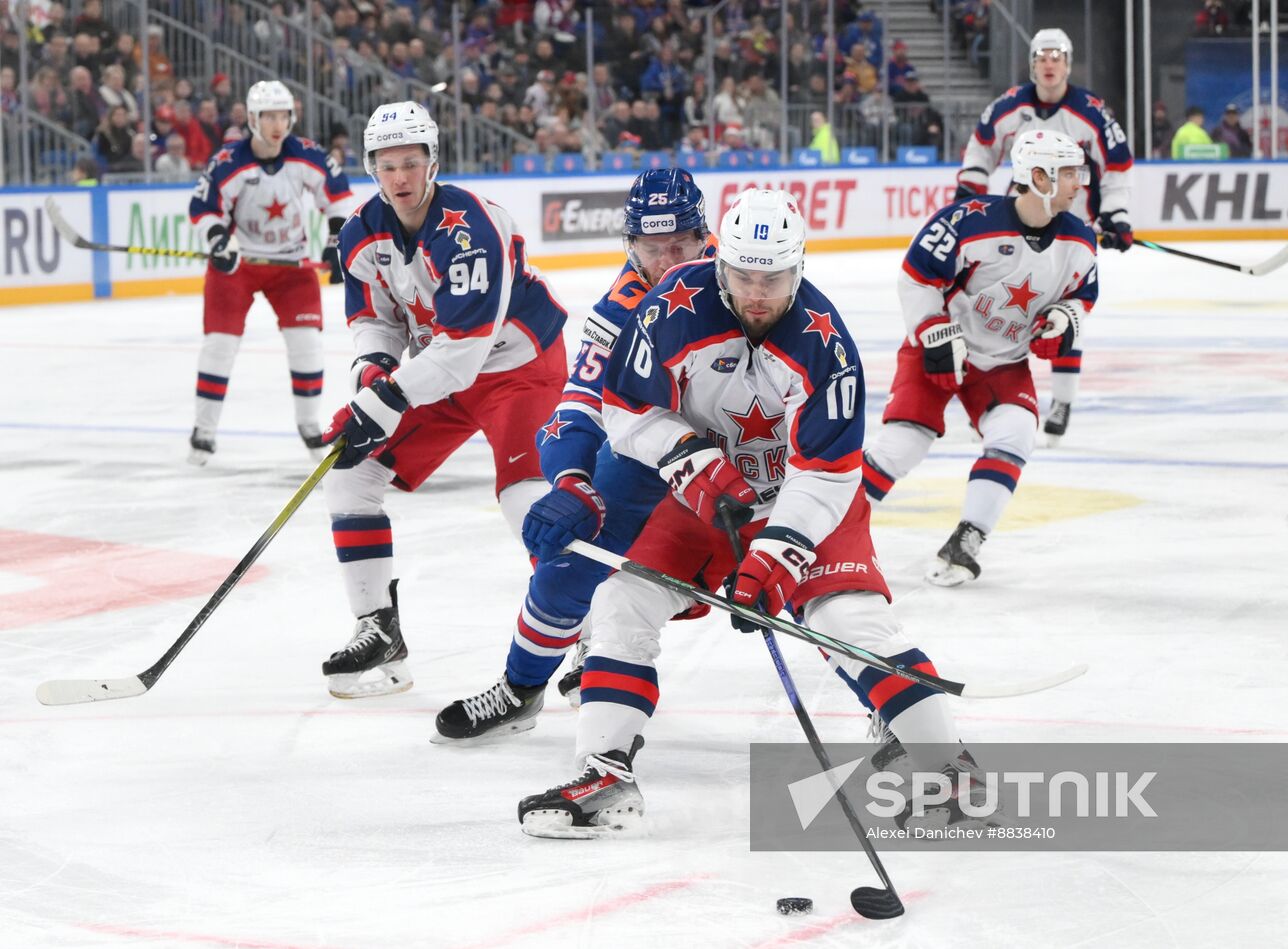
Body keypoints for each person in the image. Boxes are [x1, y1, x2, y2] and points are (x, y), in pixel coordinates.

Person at [518, 189, 980, 837]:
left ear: (800, 267)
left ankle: (949, 768)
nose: (758, 292)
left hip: (802, 499)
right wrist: (689, 461)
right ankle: (605, 772)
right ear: (720, 266)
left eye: (775, 277)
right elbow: (625, 409)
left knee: (848, 618)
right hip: (697, 496)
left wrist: (774, 557)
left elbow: (825, 475)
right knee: (622, 599)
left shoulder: (825, 342)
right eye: (743, 276)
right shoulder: (673, 306)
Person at [431, 169, 716, 741]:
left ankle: (886, 702)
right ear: (630, 244)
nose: (666, 260)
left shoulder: (748, 282)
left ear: (705, 237)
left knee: (818, 572)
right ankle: (520, 689)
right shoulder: (619, 308)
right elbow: (579, 404)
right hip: (646, 449)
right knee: (566, 562)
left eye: (679, 245)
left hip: (751, 451)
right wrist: (570, 480)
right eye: (651, 247)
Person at [316, 102, 569, 699]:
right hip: (438, 370)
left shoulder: (470, 225)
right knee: (348, 476)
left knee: (528, 503)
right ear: (371, 167)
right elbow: (375, 325)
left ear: (433, 162)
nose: (400, 177)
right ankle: (377, 627)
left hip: (516, 364)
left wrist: (387, 400)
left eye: (411, 162)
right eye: (386, 165)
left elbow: (465, 352)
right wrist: (371, 381)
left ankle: (585, 631)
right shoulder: (359, 232)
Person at [861, 130, 1099, 585]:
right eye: (1068, 172)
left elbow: (1084, 292)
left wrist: (1063, 318)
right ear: (1038, 177)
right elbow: (916, 275)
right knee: (902, 445)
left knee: (1016, 432)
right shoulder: (968, 221)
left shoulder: (1080, 240)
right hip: (941, 349)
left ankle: (967, 538)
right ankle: (831, 530)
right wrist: (932, 329)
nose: (1077, 183)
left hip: (1004, 362)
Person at [954, 28, 1129, 444]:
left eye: (1057, 56)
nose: (1049, 64)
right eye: (1041, 57)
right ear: (1033, 64)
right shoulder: (1009, 106)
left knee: (1066, 313)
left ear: (1068, 63)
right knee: (1000, 307)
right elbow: (980, 150)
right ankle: (987, 395)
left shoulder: (1092, 112)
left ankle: (1063, 399)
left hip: (1072, 233)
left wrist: (1116, 215)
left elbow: (1116, 166)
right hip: (1017, 226)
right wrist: (969, 192)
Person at [187, 80, 356, 465]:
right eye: (269, 116)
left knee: (307, 344)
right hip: (239, 264)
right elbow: (204, 207)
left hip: (291, 264)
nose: (278, 124)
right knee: (219, 345)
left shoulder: (307, 154)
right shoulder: (229, 160)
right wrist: (217, 238)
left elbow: (338, 198)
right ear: (251, 119)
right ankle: (204, 430)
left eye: (284, 115)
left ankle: (310, 426)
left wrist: (336, 241)